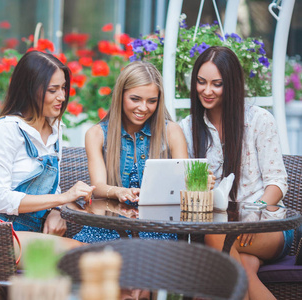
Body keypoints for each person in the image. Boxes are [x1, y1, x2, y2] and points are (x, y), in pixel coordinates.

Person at [179, 46, 292, 300]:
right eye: (201, 82)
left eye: (216, 84)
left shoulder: (259, 120)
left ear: (231, 84)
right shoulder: (187, 128)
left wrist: (253, 209)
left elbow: (277, 182)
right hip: (219, 233)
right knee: (242, 271)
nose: (206, 91)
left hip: (266, 227)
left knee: (215, 235)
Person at [0, 50, 94, 251]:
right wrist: (63, 199)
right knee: (85, 254)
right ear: (30, 90)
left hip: (30, 233)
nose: (62, 96)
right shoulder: (6, 130)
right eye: (52, 90)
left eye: (63, 88)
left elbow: (53, 188)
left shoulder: (55, 129)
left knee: (98, 249)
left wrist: (56, 210)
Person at [73, 61, 189, 243]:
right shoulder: (96, 134)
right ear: (120, 96)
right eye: (135, 99)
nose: (143, 108)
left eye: (152, 101)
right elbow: (98, 187)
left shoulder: (171, 131)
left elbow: (184, 182)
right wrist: (118, 191)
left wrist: (199, 181)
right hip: (107, 228)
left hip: (157, 229)